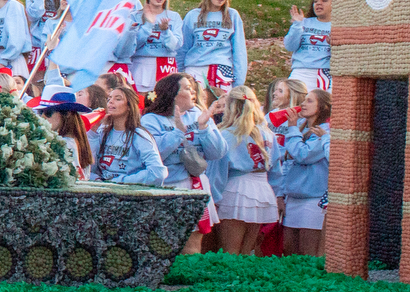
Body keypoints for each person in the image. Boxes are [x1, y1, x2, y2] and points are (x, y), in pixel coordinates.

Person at [141, 73, 227, 252]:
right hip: (167, 187)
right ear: (172, 93)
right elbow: (153, 154)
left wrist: (204, 128)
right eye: (187, 88)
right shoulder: (151, 120)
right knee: (164, 245)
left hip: (195, 186)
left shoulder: (197, 114)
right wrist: (177, 133)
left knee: (193, 244)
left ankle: (189, 277)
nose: (193, 92)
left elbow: (218, 152)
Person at [213, 85, 278, 254]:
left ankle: (229, 281)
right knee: (247, 250)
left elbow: (219, 171)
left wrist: (213, 196)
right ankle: (246, 280)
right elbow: (276, 167)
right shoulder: (269, 133)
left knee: (229, 251)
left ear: (231, 107)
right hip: (262, 189)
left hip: (236, 188)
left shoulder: (227, 134)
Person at [279, 88, 331, 256]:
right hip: (293, 197)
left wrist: (292, 128)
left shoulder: (324, 132)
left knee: (308, 251)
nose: (302, 104)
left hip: (313, 199)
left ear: (322, 107)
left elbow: (303, 155)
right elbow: (286, 163)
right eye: (304, 100)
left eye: (309, 101)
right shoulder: (300, 130)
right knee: (289, 249)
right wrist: (281, 195)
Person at [86, 84, 165, 186]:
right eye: (109, 99)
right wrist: (93, 132)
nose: (111, 102)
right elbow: (89, 168)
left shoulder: (139, 135)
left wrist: (121, 181)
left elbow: (157, 172)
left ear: (129, 106)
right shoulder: (102, 132)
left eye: (118, 99)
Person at [118, 0, 182, 94]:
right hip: (142, 65)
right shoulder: (135, 16)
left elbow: (174, 46)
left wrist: (166, 31)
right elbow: (132, 45)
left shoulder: (174, 16)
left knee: (166, 103)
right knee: (141, 103)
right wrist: (148, 25)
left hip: (166, 66)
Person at [284, 0, 333, 91]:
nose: (319, 4)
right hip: (299, 70)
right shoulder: (304, 22)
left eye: (324, 0)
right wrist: (297, 25)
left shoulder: (338, 26)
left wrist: (334, 44)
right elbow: (289, 46)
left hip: (322, 73)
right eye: (316, 1)